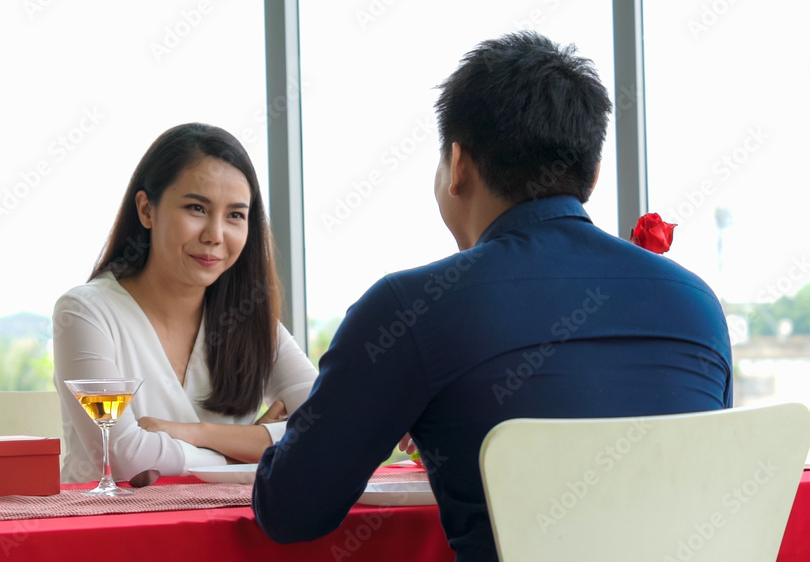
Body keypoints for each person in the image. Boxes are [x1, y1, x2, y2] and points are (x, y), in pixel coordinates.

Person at [252, 31, 731, 560]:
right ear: (592, 175)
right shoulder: (697, 305)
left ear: (457, 165)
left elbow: (291, 511)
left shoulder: (410, 308)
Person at [53, 123, 317, 483]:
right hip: (110, 529)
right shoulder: (86, 313)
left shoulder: (249, 319)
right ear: (147, 210)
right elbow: (123, 460)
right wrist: (245, 452)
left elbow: (331, 426)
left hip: (232, 527)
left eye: (235, 215)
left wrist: (199, 434)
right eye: (196, 208)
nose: (214, 235)